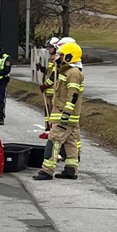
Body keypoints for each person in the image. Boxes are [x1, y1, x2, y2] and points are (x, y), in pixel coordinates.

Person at [34, 41, 85, 180]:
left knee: (54, 140)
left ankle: (47, 170)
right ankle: (71, 170)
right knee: (70, 143)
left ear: (69, 57)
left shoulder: (73, 73)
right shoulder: (68, 71)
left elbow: (72, 95)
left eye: (61, 55)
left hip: (65, 115)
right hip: (67, 116)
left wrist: (66, 114)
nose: (58, 57)